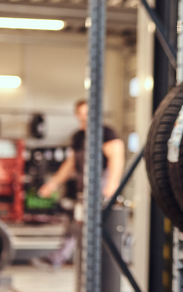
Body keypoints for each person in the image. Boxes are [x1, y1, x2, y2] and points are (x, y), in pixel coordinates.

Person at [32, 99, 126, 269]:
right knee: (78, 223)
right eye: (81, 115)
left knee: (84, 223)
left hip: (101, 186)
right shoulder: (78, 136)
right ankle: (66, 260)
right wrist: (52, 184)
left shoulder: (107, 133)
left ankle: (58, 259)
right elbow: (70, 164)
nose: (84, 118)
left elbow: (116, 159)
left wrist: (112, 187)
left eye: (87, 114)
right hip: (84, 186)